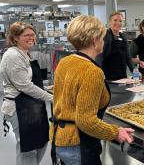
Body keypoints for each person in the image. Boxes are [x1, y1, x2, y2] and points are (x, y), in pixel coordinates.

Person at [50, 15, 134, 165]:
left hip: (60, 138)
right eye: (102, 38)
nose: (104, 41)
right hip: (78, 143)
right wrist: (116, 132)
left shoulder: (65, 62)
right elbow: (86, 121)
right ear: (94, 41)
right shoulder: (92, 71)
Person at [0, 22, 53, 165]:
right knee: (28, 149)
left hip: (32, 106)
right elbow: (24, 86)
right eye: (26, 35)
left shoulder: (25, 53)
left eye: (32, 34)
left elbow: (30, 80)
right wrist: (52, 98)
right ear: (15, 38)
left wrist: (50, 88)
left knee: (41, 143)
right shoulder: (12, 55)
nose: (31, 38)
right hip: (19, 107)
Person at [100, 11, 134, 80]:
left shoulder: (123, 36)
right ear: (110, 22)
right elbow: (101, 56)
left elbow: (127, 56)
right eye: (115, 20)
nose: (118, 23)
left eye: (120, 21)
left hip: (122, 74)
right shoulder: (106, 35)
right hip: (108, 75)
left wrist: (134, 71)